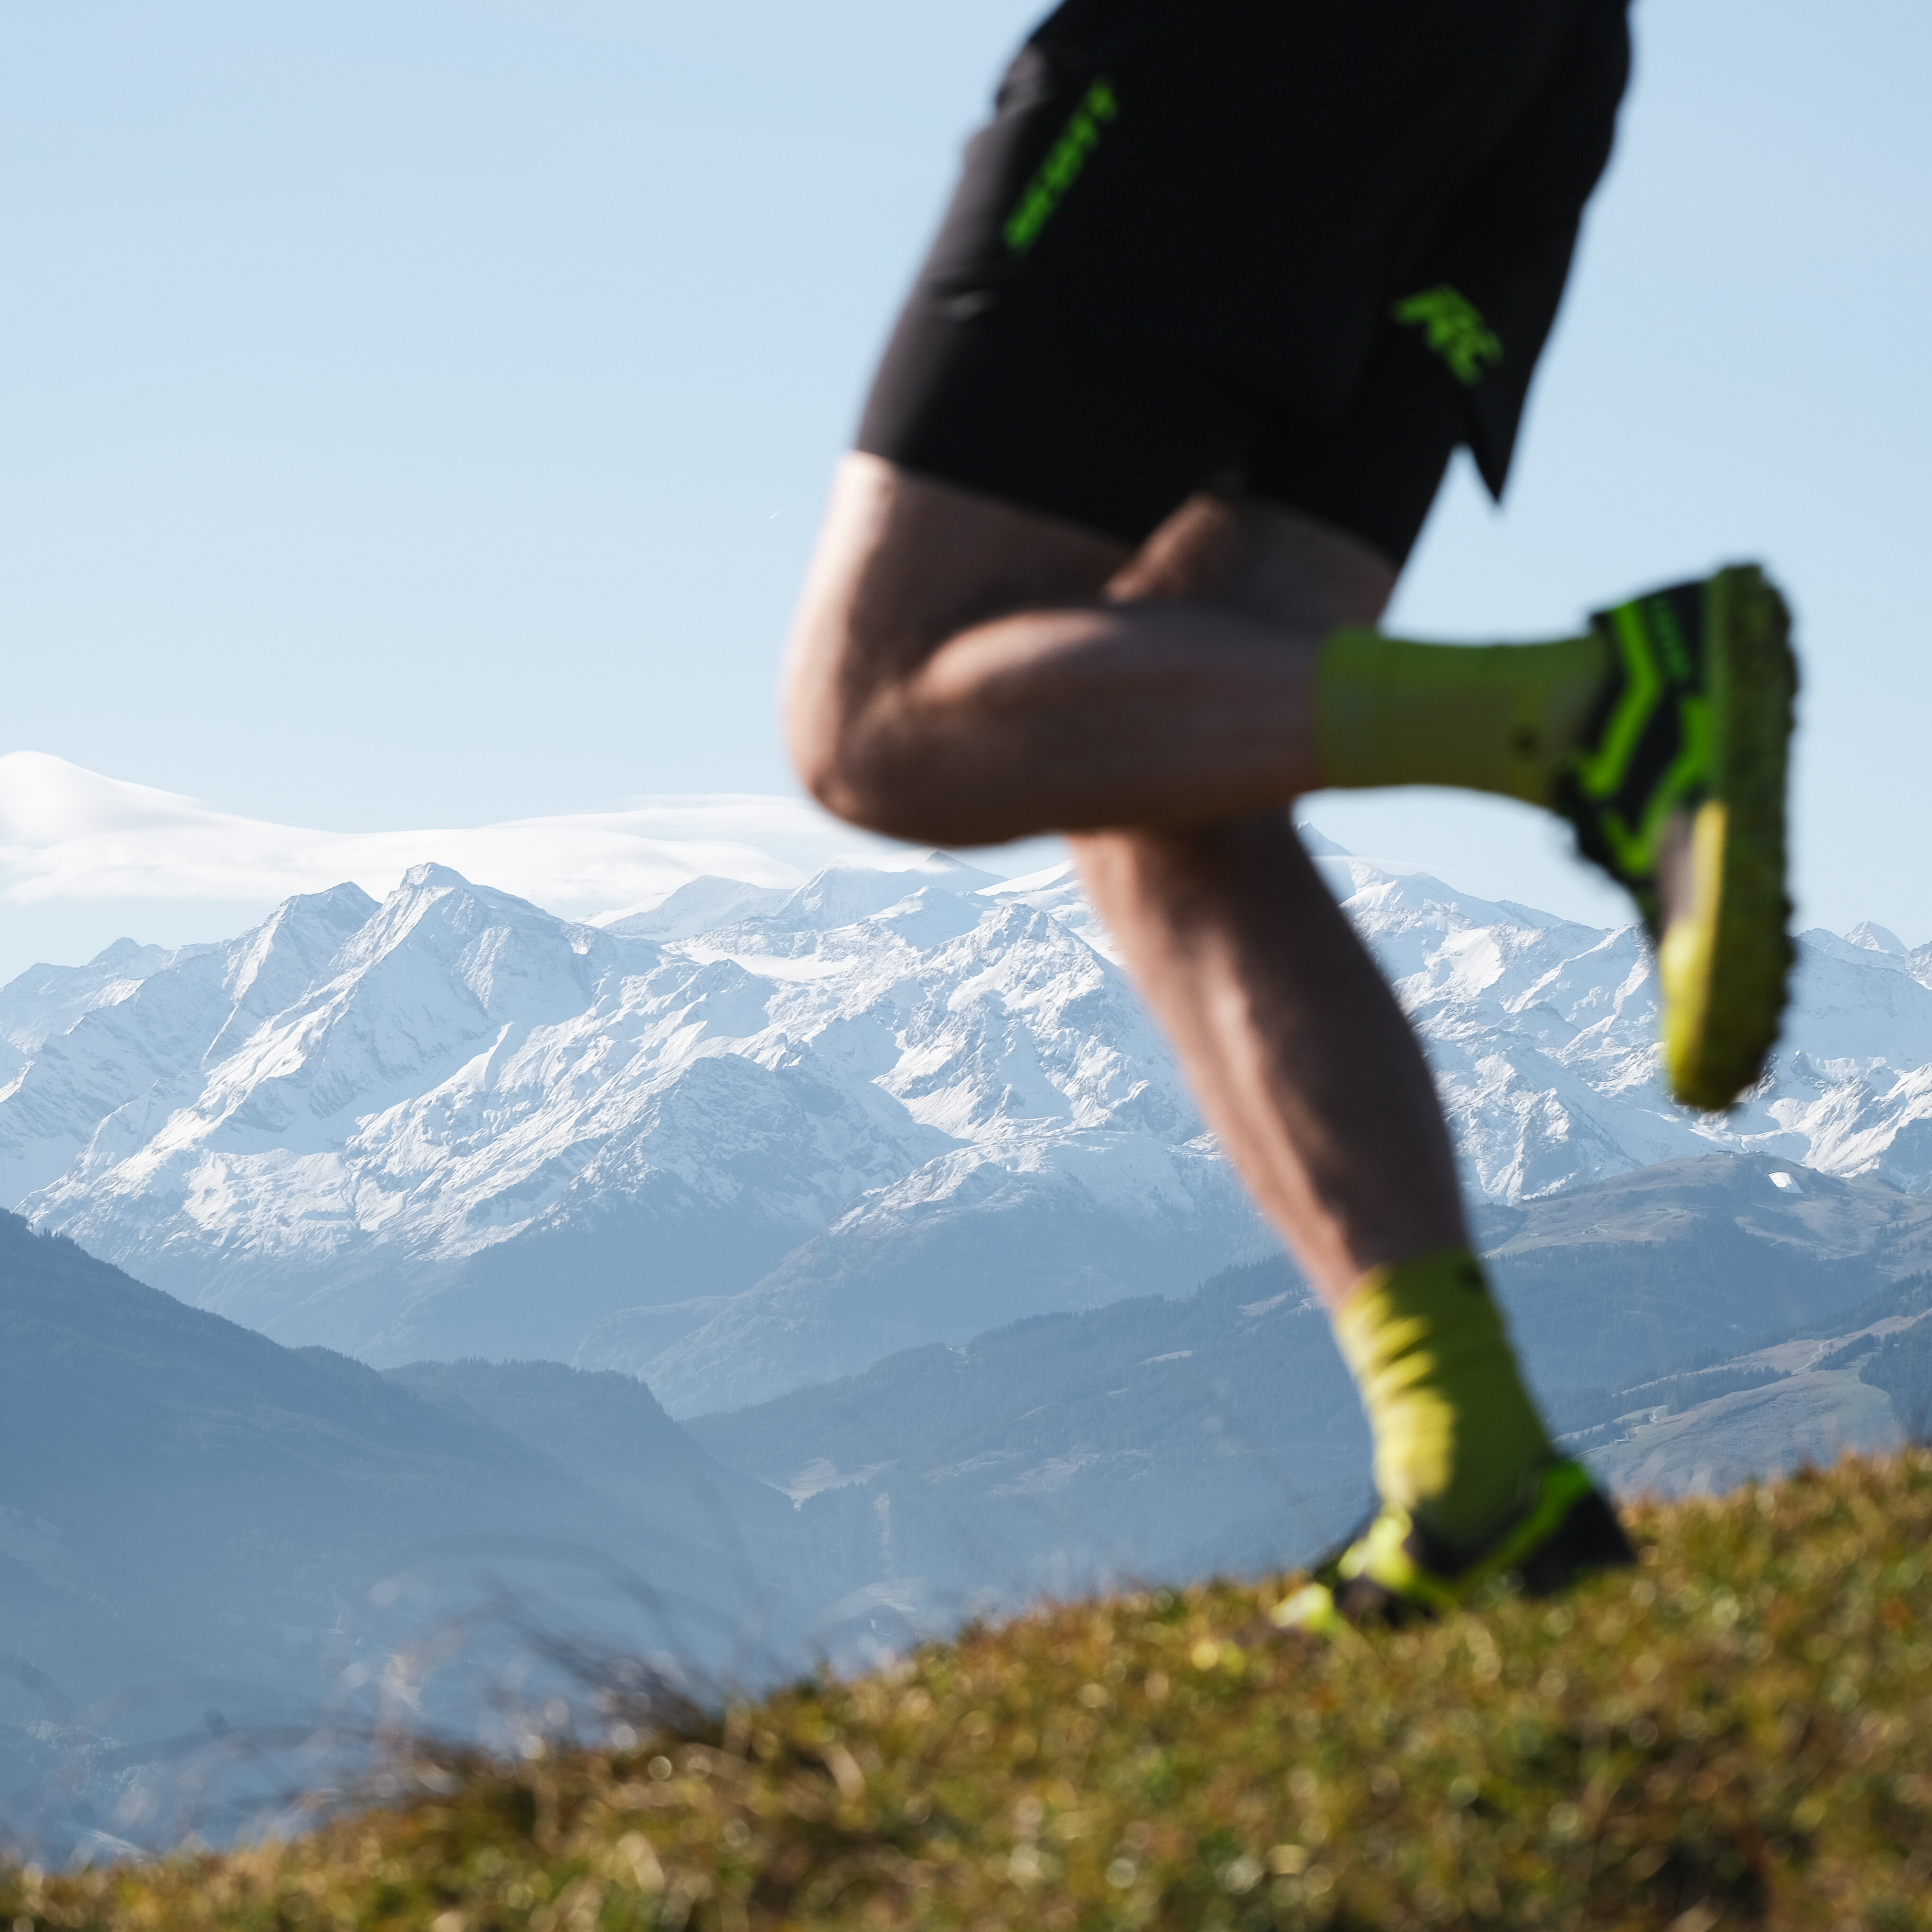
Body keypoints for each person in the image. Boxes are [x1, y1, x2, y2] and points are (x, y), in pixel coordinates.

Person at [780, 0, 1796, 1626]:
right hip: (1525, 58)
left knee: (879, 720)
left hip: (1244, 46)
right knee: (1148, 749)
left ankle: (1588, 714)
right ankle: (1473, 1477)